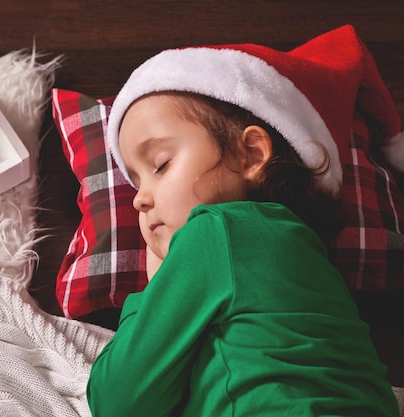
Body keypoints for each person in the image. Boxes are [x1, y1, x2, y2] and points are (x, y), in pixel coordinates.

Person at [86, 26, 402, 416]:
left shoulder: (217, 230)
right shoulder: (304, 252)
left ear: (252, 154)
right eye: (134, 181)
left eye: (161, 165)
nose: (139, 199)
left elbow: (117, 401)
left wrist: (155, 289)